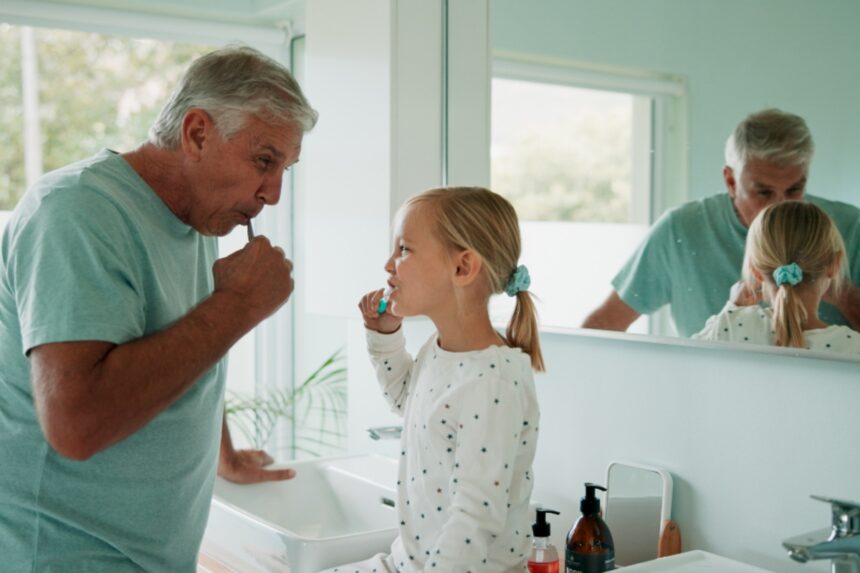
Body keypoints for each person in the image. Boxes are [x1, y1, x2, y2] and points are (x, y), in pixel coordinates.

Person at [0, 46, 317, 571]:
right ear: (196, 134)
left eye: (285, 168)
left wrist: (225, 455)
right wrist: (236, 307)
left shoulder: (199, 219)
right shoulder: (77, 213)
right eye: (265, 161)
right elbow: (77, 424)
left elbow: (182, 350)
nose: (274, 194)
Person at [332, 187, 544, 572]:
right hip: (407, 562)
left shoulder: (491, 382)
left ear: (462, 268)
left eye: (404, 250)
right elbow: (406, 400)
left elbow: (473, 521)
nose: (388, 264)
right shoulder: (440, 349)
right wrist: (384, 336)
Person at [582, 108, 860, 337]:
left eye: (794, 190)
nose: (780, 206)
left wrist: (845, 296)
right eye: (763, 192)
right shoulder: (679, 230)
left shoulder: (851, 228)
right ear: (730, 180)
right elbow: (604, 326)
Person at [693, 201, 860, 353]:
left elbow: (689, 360)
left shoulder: (732, 326)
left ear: (755, 270)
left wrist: (731, 310)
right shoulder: (851, 347)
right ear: (834, 265)